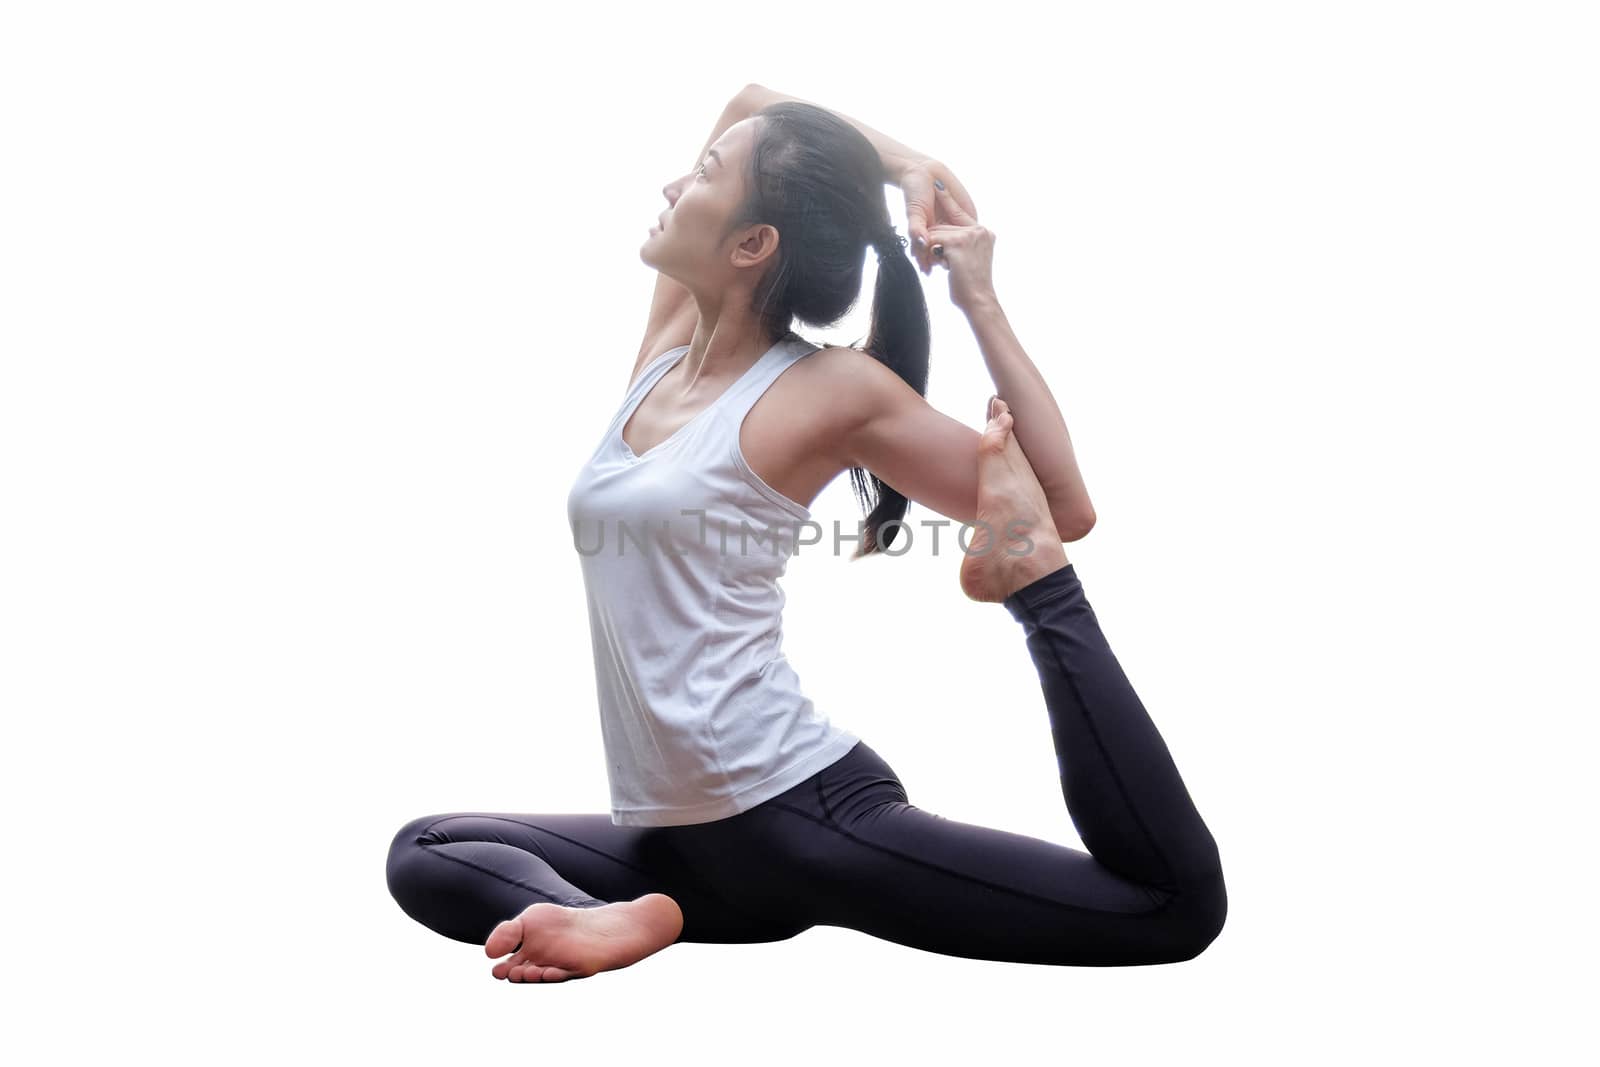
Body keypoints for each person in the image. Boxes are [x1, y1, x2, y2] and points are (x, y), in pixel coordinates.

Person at [386, 87, 1226, 981]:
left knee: (1169, 910)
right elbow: (750, 100)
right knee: (425, 849)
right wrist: (906, 163)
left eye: (705, 176)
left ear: (752, 245)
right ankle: (620, 920)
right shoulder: (668, 353)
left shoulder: (828, 390)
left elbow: (1062, 503)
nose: (674, 182)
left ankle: (1035, 592)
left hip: (799, 814)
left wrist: (975, 295)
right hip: (675, 851)